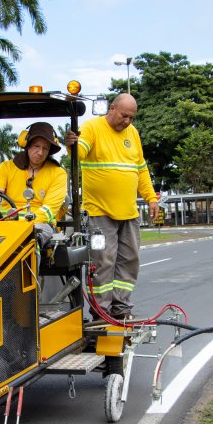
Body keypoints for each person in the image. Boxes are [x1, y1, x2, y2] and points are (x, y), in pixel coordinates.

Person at [65, 93, 159, 319]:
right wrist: (72, 146)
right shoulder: (92, 128)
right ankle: (101, 311)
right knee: (103, 262)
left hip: (128, 212)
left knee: (129, 261)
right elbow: (80, 152)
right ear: (112, 108)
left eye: (131, 117)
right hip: (100, 213)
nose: (127, 121)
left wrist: (151, 198)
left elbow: (141, 169)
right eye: (124, 115)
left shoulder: (132, 134)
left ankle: (121, 308)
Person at [0, 122, 67, 244]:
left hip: (40, 225)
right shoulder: (6, 167)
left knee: (33, 236)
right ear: (27, 145)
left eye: (45, 148)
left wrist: (22, 225)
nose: (40, 153)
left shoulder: (58, 173)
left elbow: (47, 211)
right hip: (6, 224)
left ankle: (31, 261)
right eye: (36, 146)